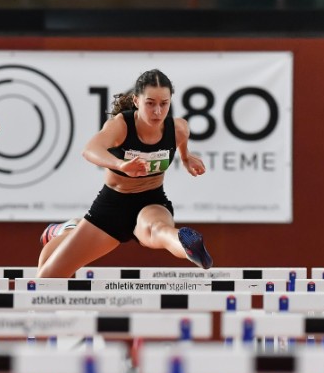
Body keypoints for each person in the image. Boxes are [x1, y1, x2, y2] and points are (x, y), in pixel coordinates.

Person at [36, 69, 213, 278]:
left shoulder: (178, 129)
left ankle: (188, 245)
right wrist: (121, 165)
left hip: (151, 202)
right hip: (111, 207)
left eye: (164, 104)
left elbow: (182, 141)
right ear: (136, 101)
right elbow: (90, 150)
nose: (157, 111)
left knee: (157, 230)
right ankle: (69, 229)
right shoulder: (121, 125)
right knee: (47, 277)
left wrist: (185, 158)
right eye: (150, 103)